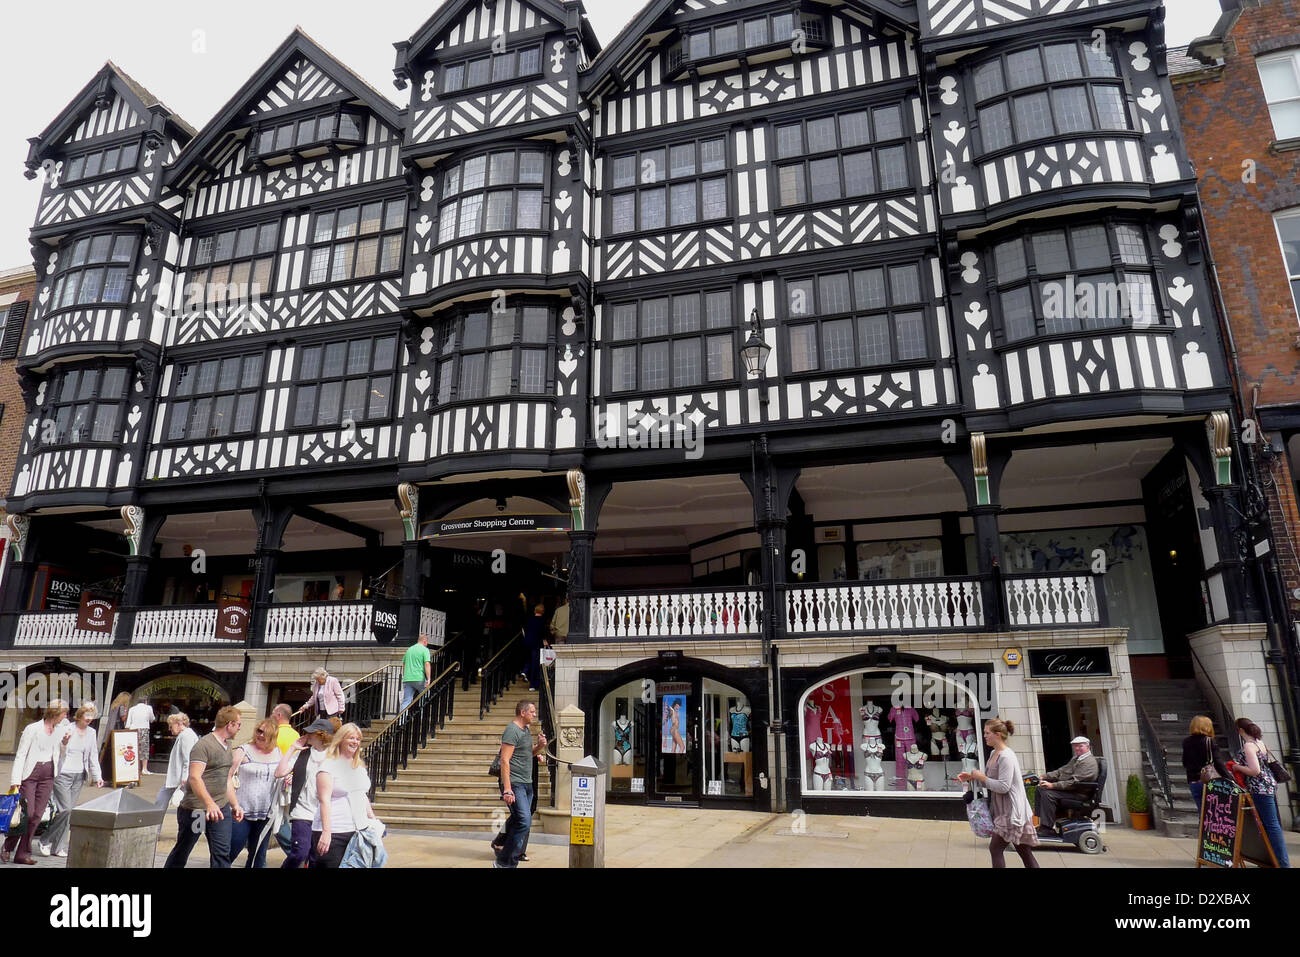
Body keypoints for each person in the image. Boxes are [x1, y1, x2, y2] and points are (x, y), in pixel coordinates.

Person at [164, 705, 242, 869]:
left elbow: (226, 778)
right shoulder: (204, 745)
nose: (240, 728)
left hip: (220, 809)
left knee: (221, 853)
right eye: (238, 724)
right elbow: (194, 777)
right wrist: (209, 803)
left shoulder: (228, 747)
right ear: (230, 724)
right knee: (184, 848)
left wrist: (234, 804)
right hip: (197, 810)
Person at [957, 719, 1039, 868]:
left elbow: (1003, 786)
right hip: (1003, 810)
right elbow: (991, 782)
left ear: (998, 734)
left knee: (995, 849)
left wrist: (981, 777)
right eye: (984, 733)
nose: (985, 736)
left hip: (1012, 812)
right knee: (1024, 852)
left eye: (987, 733)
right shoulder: (994, 753)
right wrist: (973, 777)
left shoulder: (1006, 756)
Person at [2, 703, 69, 865]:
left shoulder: (59, 731)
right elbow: (21, 754)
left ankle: (23, 853)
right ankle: (8, 846)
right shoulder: (33, 729)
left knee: (38, 816)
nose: (66, 717)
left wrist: (64, 743)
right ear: (55, 713)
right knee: (27, 813)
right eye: (64, 714)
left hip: (48, 775)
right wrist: (15, 781)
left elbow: (59, 753)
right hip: (30, 774)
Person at [41, 705, 105, 857]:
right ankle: (45, 840)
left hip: (79, 774)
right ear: (80, 715)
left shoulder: (91, 732)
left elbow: (93, 755)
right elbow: (57, 749)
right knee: (65, 809)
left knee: (69, 813)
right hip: (63, 773)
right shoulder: (67, 728)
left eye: (92, 715)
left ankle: (58, 847)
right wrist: (64, 742)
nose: (89, 718)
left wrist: (98, 776)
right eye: (87, 715)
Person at [312, 723, 375, 868]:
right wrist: (326, 832)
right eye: (351, 738)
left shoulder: (359, 766)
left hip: (358, 831)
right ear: (340, 740)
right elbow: (324, 800)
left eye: (358, 739)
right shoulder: (328, 766)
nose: (355, 742)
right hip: (335, 832)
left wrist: (372, 818)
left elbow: (361, 794)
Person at [494, 700, 546, 869]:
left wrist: (539, 747)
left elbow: (527, 752)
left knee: (520, 819)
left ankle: (500, 845)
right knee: (524, 821)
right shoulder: (512, 730)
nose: (534, 714)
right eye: (532, 711)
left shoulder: (525, 730)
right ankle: (504, 862)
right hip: (515, 784)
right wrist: (507, 789)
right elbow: (504, 760)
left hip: (527, 783)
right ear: (522, 713)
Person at [276, 718, 334, 868]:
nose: (307, 735)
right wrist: (292, 748)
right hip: (302, 811)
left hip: (323, 813)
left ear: (322, 735)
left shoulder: (334, 757)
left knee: (316, 857)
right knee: (300, 852)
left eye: (311, 733)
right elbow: (280, 772)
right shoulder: (303, 754)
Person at [1232, 717, 1291, 868]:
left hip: (1260, 788)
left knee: (1271, 825)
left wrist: (1237, 768)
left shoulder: (1249, 746)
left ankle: (1282, 863)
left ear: (1240, 731)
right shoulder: (1260, 743)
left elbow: (1255, 770)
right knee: (1268, 824)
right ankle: (1271, 859)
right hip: (1268, 785)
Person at [229, 717, 281, 868]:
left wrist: (288, 778)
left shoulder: (278, 752)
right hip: (241, 810)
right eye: (259, 731)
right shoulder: (243, 750)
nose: (261, 735)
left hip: (265, 812)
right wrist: (233, 804)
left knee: (258, 854)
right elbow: (227, 777)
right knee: (233, 848)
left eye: (266, 733)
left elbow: (283, 772)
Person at [1033, 735, 1099, 837]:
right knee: (1040, 789)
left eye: (1080, 746)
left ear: (1088, 747)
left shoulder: (1088, 763)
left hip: (1079, 794)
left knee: (1048, 793)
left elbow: (1074, 783)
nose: (1077, 748)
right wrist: (1043, 777)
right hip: (1072, 790)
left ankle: (1047, 828)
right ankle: (1043, 824)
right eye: (1075, 746)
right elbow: (1061, 772)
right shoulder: (1077, 759)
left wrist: (1052, 785)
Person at [1181, 715, 1229, 811]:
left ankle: (1202, 826)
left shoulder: (1186, 742)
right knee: (1215, 812)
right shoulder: (1209, 741)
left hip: (1193, 781)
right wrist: (1229, 778)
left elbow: (1184, 762)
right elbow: (1218, 762)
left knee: (1202, 812)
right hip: (1209, 780)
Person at [164, 712, 200, 807]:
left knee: (162, 799)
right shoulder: (186, 734)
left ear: (179, 724)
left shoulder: (186, 736)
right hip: (179, 776)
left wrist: (184, 777)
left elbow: (187, 758)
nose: (170, 729)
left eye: (171, 726)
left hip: (179, 777)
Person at [125, 697, 157, 775]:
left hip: (133, 729)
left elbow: (128, 722)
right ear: (145, 702)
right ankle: (144, 769)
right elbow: (152, 719)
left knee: (134, 748)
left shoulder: (132, 709)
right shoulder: (148, 708)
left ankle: (136, 768)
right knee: (144, 749)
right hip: (144, 729)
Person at [401, 633, 432, 711]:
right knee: (425, 696)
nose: (426, 645)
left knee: (406, 701)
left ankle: (401, 721)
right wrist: (428, 678)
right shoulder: (425, 650)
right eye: (427, 643)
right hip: (419, 678)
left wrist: (405, 675)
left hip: (407, 679)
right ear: (425, 641)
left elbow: (404, 663)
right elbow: (427, 664)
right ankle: (421, 718)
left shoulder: (409, 649)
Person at [522, 604, 548, 690]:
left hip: (527, 642)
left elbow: (525, 629)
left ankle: (525, 671)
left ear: (535, 611)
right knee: (535, 663)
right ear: (543, 612)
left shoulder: (529, 620)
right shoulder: (542, 621)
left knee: (529, 659)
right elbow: (542, 633)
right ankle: (533, 685)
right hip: (536, 644)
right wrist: (544, 640)